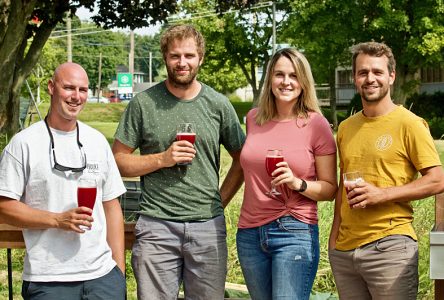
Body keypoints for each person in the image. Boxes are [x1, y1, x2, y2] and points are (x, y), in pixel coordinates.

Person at [112, 24, 245, 300]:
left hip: (207, 226)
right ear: (165, 58)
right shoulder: (143, 103)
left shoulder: (218, 104)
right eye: (175, 56)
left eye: (189, 55)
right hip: (156, 226)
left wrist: (219, 201)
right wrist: (163, 158)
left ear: (200, 59)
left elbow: (242, 159)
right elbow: (118, 162)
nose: (182, 63)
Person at [0, 62, 127, 300]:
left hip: (102, 278)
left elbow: (111, 207)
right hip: (48, 280)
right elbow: (3, 207)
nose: (76, 97)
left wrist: (118, 272)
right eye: (69, 88)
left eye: (83, 90)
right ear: (51, 87)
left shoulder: (97, 141)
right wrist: (57, 220)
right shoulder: (23, 144)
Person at [329, 42, 444, 299]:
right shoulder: (346, 128)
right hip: (345, 252)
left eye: (378, 72)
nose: (370, 78)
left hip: (390, 248)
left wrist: (380, 195)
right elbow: (341, 186)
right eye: (363, 72)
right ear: (355, 78)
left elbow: (437, 180)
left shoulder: (410, 124)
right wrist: (333, 241)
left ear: (391, 76)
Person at [236, 48, 338, 300]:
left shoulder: (316, 124)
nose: (286, 82)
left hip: (293, 229)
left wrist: (297, 183)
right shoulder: (253, 119)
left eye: (293, 75)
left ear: (303, 82)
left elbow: (330, 189)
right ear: (270, 79)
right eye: (279, 74)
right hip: (249, 232)